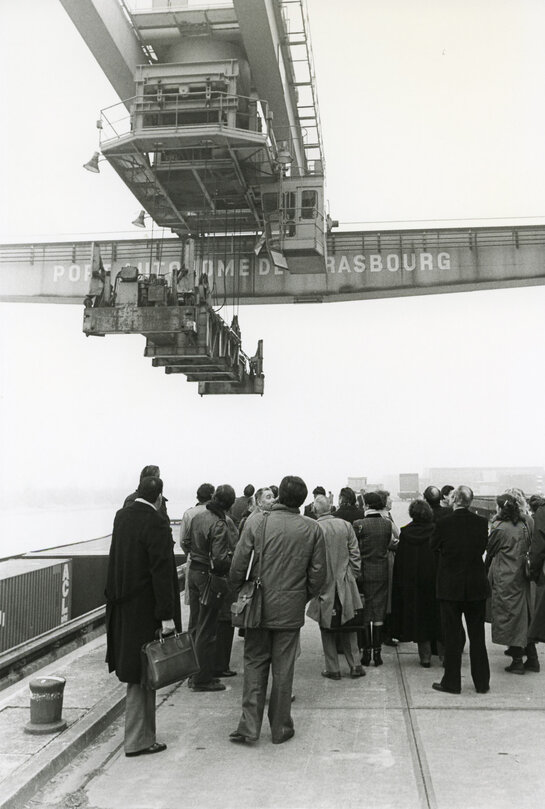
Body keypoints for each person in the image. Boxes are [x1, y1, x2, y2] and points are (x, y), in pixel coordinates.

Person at [229, 475, 326, 744]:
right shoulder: (312, 528)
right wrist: (301, 596)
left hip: (258, 606)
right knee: (284, 670)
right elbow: (318, 575)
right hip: (291, 610)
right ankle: (281, 728)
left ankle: (249, 727)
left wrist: (238, 589)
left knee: (254, 664)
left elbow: (239, 563)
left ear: (279, 494)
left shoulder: (257, 521)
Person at [105, 476, 181, 757]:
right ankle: (138, 740)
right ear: (159, 497)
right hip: (144, 610)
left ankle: (144, 735)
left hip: (121, 608)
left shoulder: (121, 517)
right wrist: (167, 616)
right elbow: (161, 573)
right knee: (142, 674)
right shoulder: (157, 522)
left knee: (138, 671)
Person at [430, 485, 490, 694]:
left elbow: (434, 545)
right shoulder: (481, 523)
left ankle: (452, 682)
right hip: (476, 584)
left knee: (452, 636)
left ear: (454, 499)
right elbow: (482, 548)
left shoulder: (443, 523)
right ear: (471, 501)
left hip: (450, 586)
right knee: (477, 636)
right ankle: (482, 682)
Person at [307, 495, 365, 679]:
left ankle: (333, 668)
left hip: (323, 583)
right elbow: (355, 554)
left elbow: (309, 559)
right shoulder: (345, 525)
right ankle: (355, 665)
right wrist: (352, 575)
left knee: (327, 626)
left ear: (315, 511)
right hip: (345, 581)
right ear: (331, 507)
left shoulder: (313, 528)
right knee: (349, 623)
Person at [186, 484, 236, 692]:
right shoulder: (219, 523)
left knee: (196, 625)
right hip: (208, 575)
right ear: (230, 504)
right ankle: (202, 678)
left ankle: (193, 673)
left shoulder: (198, 516)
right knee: (208, 628)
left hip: (194, 571)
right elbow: (219, 558)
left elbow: (187, 541)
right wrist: (231, 561)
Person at [391, 499, 442, 667]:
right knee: (439, 618)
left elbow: (401, 561)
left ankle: (425, 657)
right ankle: (444, 656)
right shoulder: (436, 531)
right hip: (434, 580)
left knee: (420, 619)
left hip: (414, 582)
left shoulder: (406, 533)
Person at [486, 494, 532, 674]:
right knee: (521, 615)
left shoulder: (500, 528)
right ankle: (528, 655)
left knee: (507, 615)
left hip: (505, 576)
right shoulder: (524, 525)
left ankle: (517, 660)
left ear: (500, 509)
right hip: (521, 576)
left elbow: (490, 549)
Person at [353, 491, 394, 667]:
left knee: (364, 610)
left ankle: (365, 653)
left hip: (363, 573)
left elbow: (354, 549)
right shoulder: (387, 525)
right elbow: (388, 545)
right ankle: (377, 654)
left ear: (367, 506)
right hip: (381, 572)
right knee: (379, 610)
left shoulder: (358, 524)